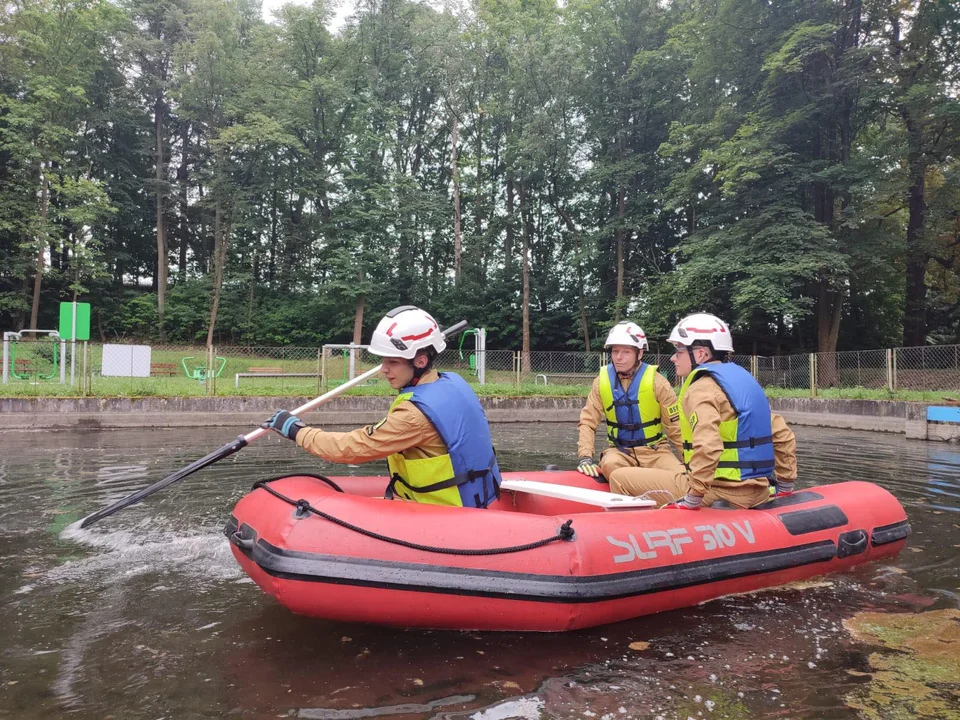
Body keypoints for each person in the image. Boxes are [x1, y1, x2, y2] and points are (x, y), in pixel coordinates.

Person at [262, 305, 502, 508]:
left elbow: (352, 449)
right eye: (383, 360)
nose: (383, 369)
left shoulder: (413, 416)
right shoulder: (452, 382)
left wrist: (297, 431)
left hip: (444, 511)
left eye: (393, 362)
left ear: (420, 361)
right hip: (476, 496)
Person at [608, 313, 798, 509]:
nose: (673, 358)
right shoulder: (744, 382)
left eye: (679, 351)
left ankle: (649, 534)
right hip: (759, 490)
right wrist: (785, 485)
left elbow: (708, 446)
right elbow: (783, 435)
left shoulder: (700, 389)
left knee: (620, 477)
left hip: (719, 491)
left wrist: (694, 497)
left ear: (700, 354)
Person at [576, 321, 684, 489]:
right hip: (620, 452)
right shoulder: (601, 382)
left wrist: (691, 462)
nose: (619, 357)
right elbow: (588, 421)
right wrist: (585, 457)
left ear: (639, 353)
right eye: (615, 351)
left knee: (680, 477)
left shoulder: (658, 382)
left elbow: (676, 426)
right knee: (610, 464)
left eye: (626, 352)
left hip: (655, 452)